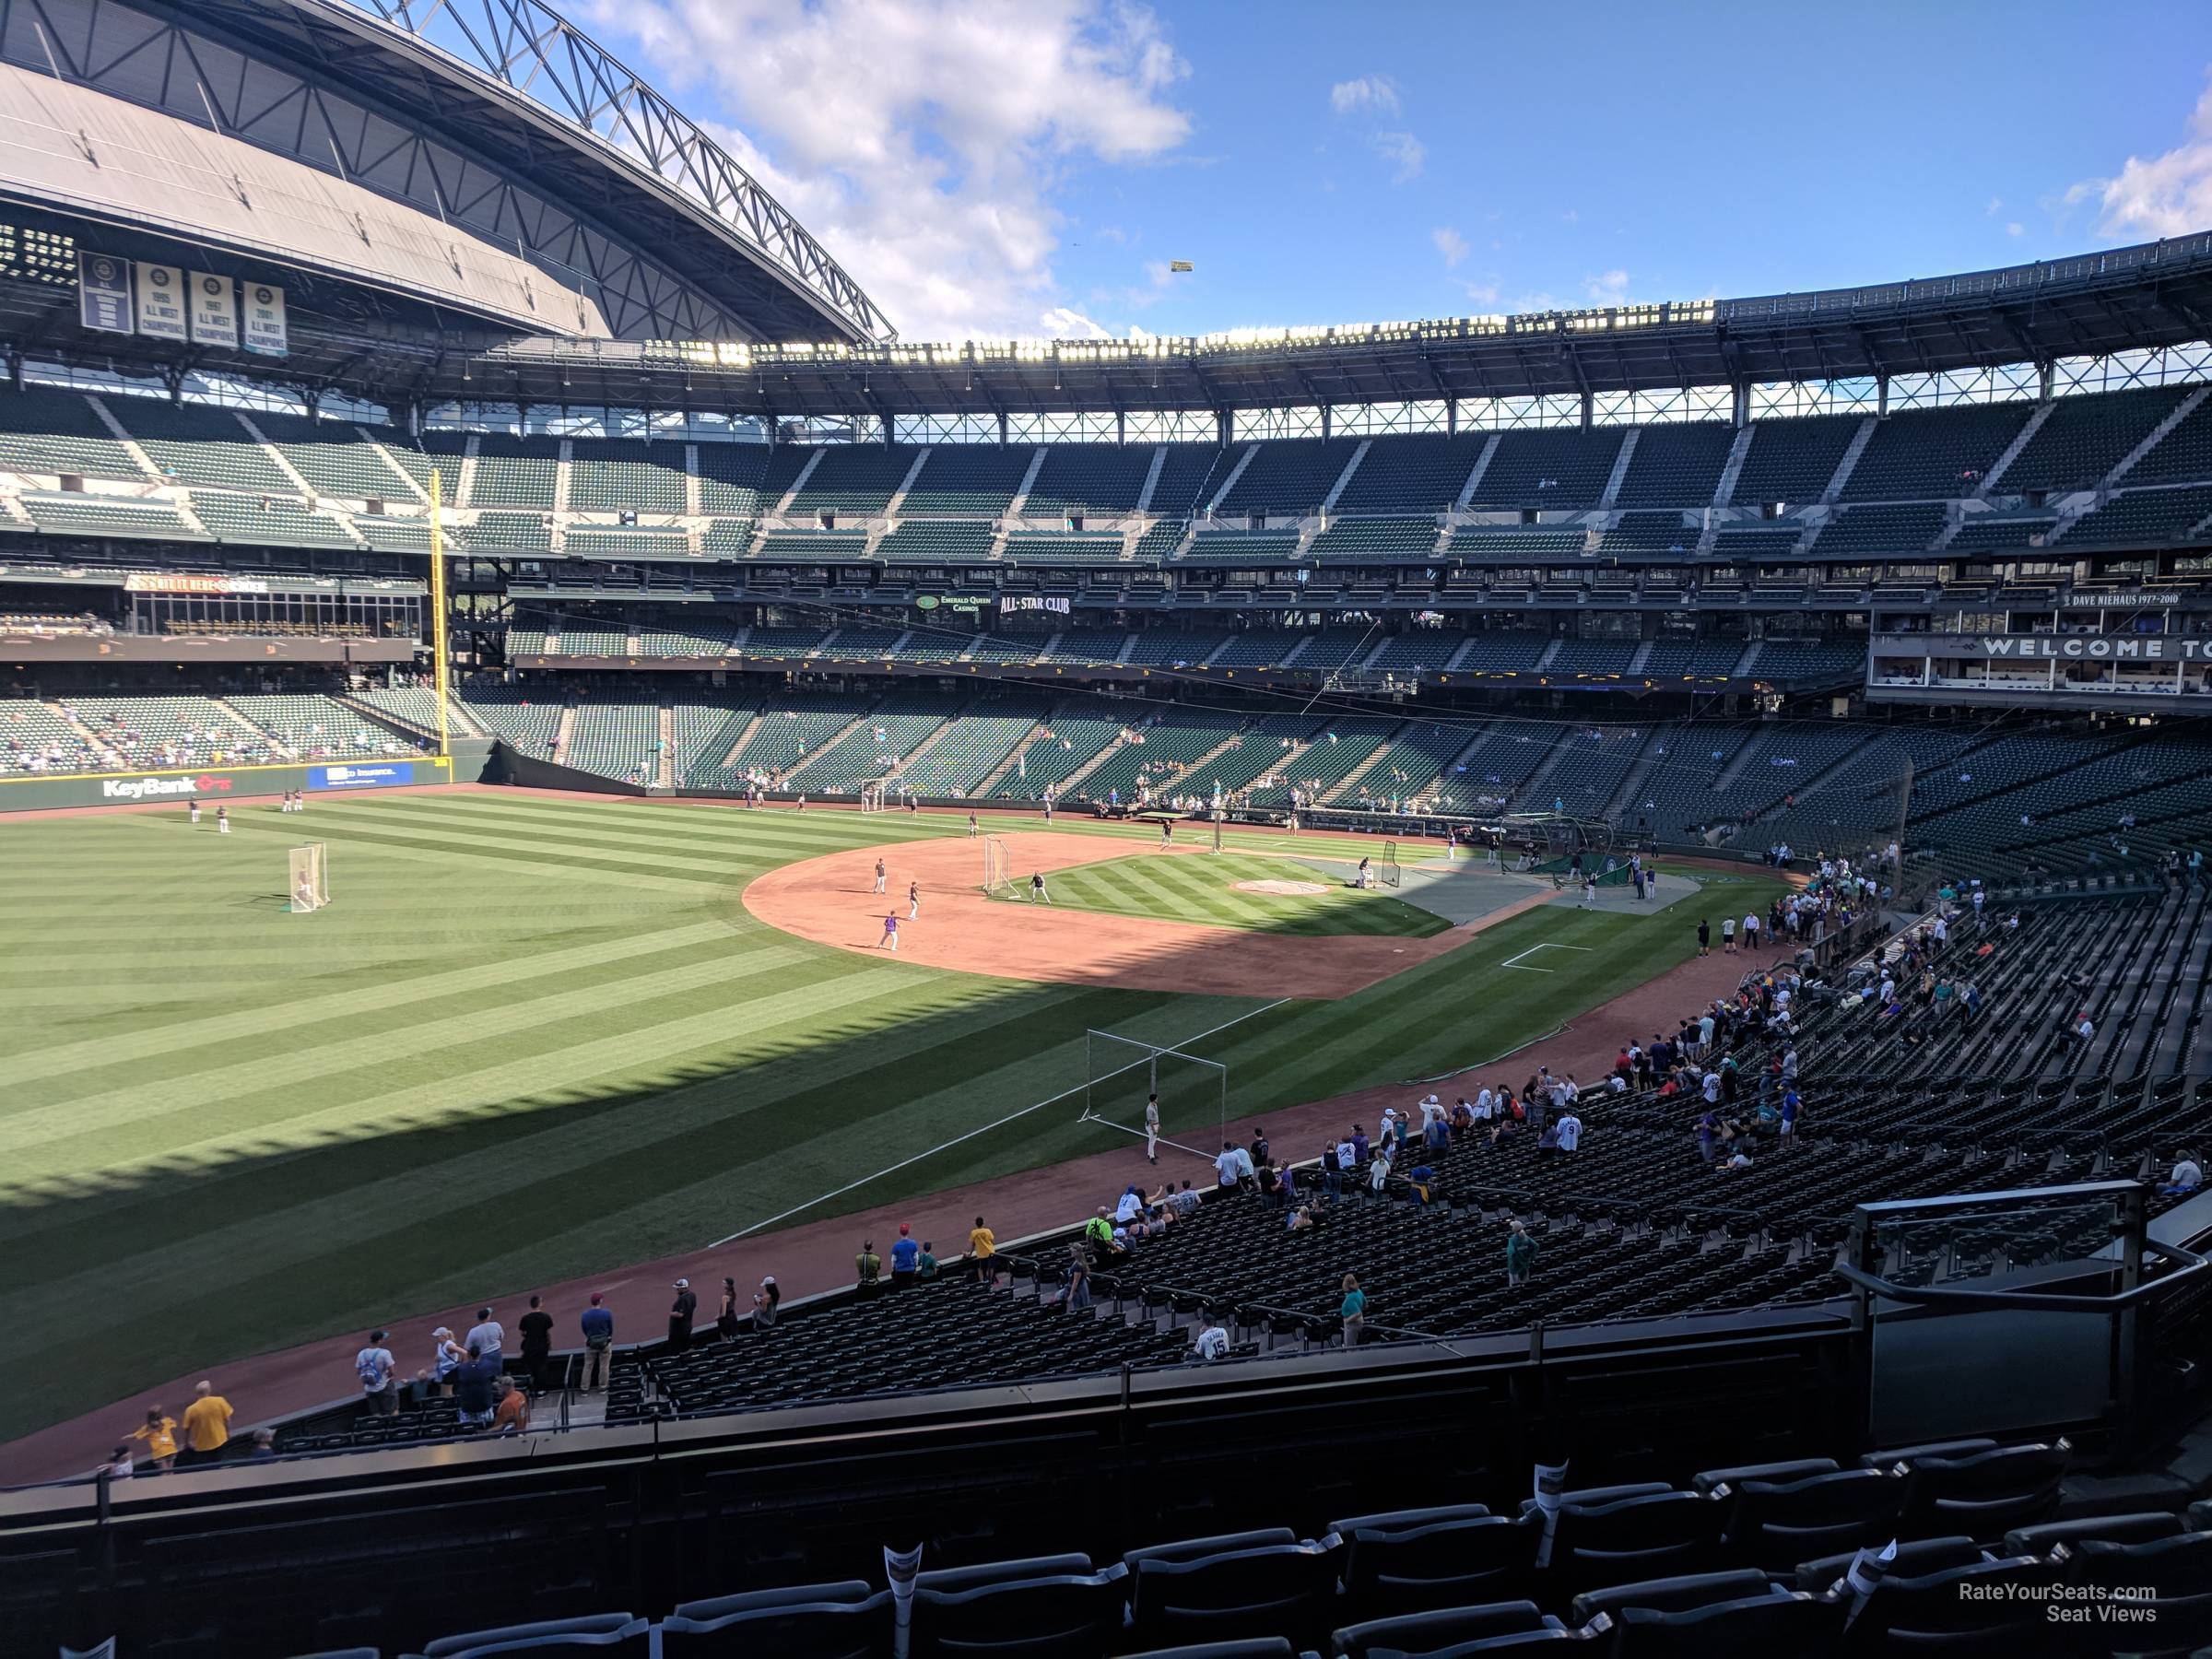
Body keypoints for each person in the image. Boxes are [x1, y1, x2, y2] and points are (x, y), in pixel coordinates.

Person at [177, 1380, 232, 1467]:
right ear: (209, 1390)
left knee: (208, 1469)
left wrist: (187, 1443)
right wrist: (228, 1433)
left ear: (197, 1393)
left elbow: (187, 1429)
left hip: (202, 1446)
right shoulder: (220, 1401)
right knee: (223, 1466)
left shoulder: (191, 1409)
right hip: (220, 1440)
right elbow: (227, 1420)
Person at [453, 1343, 500, 1429]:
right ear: (480, 1354)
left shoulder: (461, 1368)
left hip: (467, 1406)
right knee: (487, 1430)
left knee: (468, 1432)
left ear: (469, 1355)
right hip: (484, 1405)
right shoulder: (487, 1365)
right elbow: (494, 1378)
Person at [356, 1330, 398, 1417]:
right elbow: (392, 1371)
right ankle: (394, 1428)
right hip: (384, 1387)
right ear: (379, 1341)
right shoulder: (384, 1353)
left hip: (369, 1389)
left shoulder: (361, 1354)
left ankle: (380, 1429)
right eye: (383, 1339)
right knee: (393, 1410)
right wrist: (388, 1376)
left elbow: (358, 1371)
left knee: (376, 1413)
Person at [129, 1405, 179, 1473]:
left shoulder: (147, 1427)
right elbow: (174, 1425)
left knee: (164, 1473)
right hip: (170, 1449)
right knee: (170, 1472)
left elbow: (136, 1435)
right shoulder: (167, 1420)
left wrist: (128, 1437)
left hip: (159, 1452)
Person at [579, 1294, 614, 1392]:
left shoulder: (585, 1315)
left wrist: (589, 1337)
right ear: (600, 1301)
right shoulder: (607, 1313)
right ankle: (603, 1387)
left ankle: (584, 1388)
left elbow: (584, 1329)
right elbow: (610, 1329)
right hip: (604, 1343)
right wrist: (608, 1338)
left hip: (591, 1343)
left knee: (588, 1366)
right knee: (604, 1366)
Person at [519, 1295, 554, 1391]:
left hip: (529, 1346)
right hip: (542, 1346)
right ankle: (541, 1390)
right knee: (542, 1368)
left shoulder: (525, 1318)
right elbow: (547, 1333)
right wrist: (549, 1344)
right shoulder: (546, 1317)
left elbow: (523, 1333)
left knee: (530, 1368)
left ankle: (532, 1390)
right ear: (540, 1304)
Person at [431, 1325, 465, 1393]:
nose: (436, 1338)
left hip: (450, 1372)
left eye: (438, 1336)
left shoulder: (449, 1346)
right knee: (444, 1393)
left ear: (443, 1336)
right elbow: (439, 1355)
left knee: (447, 1393)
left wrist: (463, 1364)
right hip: (444, 1372)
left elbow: (464, 1353)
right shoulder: (440, 1344)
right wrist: (436, 1358)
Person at [667, 1277, 698, 1349]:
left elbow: (681, 1314)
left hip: (679, 1330)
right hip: (688, 1326)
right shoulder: (692, 1295)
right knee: (686, 1346)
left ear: (683, 1288)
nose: (677, 1290)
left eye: (678, 1288)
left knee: (677, 1349)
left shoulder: (683, 1299)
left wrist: (672, 1313)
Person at [1506, 1220, 1538, 1288]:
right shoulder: (1526, 1238)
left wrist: (1512, 1261)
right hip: (1525, 1265)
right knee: (1525, 1285)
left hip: (1515, 1267)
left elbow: (1511, 1253)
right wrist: (1532, 1256)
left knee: (1514, 1287)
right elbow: (1536, 1246)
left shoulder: (1512, 1240)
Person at [890, 1223, 921, 1288]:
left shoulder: (896, 1245)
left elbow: (893, 1260)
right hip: (910, 1270)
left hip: (900, 1271)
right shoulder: (913, 1243)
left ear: (900, 1233)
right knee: (909, 1287)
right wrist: (915, 1266)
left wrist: (893, 1268)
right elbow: (916, 1257)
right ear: (908, 1232)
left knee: (900, 1288)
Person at [1339, 1274, 1366, 1346]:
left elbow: (1357, 1313)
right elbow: (1365, 1304)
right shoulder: (1359, 1291)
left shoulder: (1350, 1297)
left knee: (1350, 1349)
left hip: (1352, 1324)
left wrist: (1347, 1320)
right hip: (1360, 1321)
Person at [970, 1215, 997, 1282]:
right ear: (983, 1223)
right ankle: (990, 1281)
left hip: (981, 1254)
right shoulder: (988, 1231)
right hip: (990, 1252)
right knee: (991, 1267)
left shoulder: (973, 1233)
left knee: (981, 1269)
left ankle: (983, 1283)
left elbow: (973, 1244)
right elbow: (992, 1241)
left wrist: (970, 1254)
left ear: (976, 1224)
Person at [717, 1277, 741, 1341]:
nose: (722, 1284)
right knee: (735, 1335)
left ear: (728, 1285)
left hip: (726, 1319)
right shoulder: (733, 1293)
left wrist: (718, 1317)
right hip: (733, 1316)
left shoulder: (725, 1297)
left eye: (724, 1283)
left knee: (726, 1337)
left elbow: (723, 1313)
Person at [1144, 1092, 1160, 1164]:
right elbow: (1150, 1121)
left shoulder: (1155, 1105)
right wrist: (1154, 1129)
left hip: (1155, 1124)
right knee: (1151, 1140)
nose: (1157, 1099)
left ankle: (1149, 1153)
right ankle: (1152, 1157)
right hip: (1150, 1126)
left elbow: (1156, 1116)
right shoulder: (1149, 1109)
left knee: (1153, 1139)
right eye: (1157, 1098)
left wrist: (1158, 1124)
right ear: (1154, 1099)